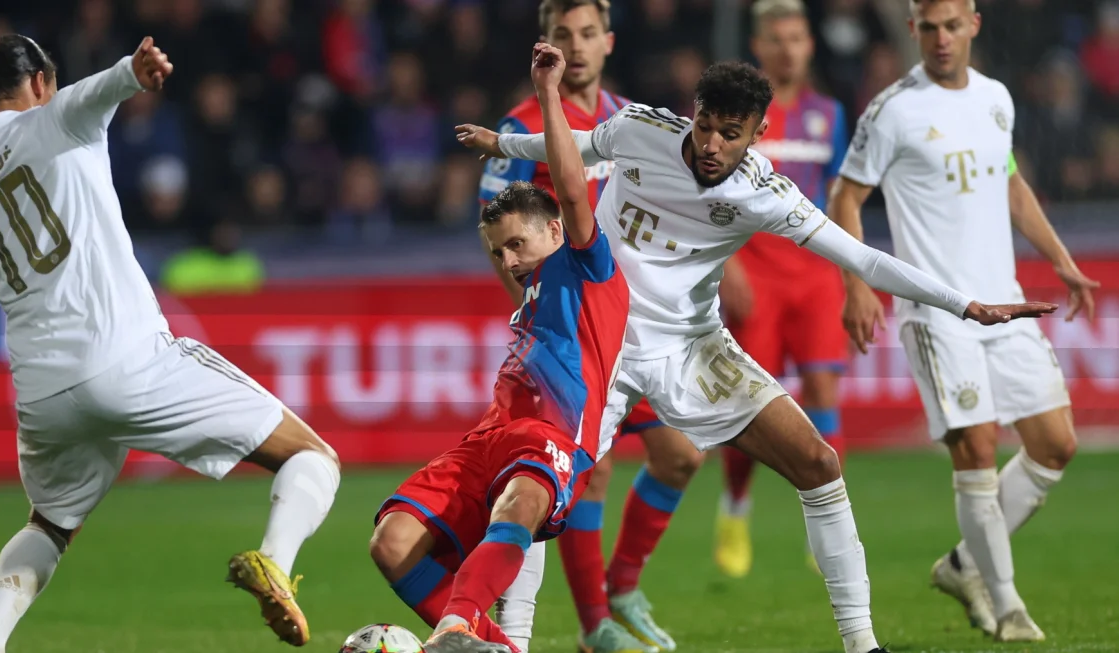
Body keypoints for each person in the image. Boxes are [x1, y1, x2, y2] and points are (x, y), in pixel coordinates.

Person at [457, 59, 1058, 653]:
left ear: (758, 134)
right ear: (692, 116)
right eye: (705, 125)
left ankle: (863, 645)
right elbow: (579, 145)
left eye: (731, 132)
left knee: (819, 464)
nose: (712, 144)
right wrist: (502, 141)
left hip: (691, 347)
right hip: (597, 338)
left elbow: (863, 260)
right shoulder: (643, 130)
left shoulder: (765, 193)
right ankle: (514, 642)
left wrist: (964, 305)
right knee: (540, 487)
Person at [0, 36, 340, 653]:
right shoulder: (56, 118)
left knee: (51, 524)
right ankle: (274, 559)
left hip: (43, 393)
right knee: (312, 458)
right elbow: (106, 86)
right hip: (130, 360)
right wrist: (136, 72)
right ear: (39, 82)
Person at [826, 0, 1097, 642]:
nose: (941, 39)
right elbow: (846, 196)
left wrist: (1061, 261)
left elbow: (1009, 184)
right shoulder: (893, 109)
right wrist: (857, 282)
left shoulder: (996, 99)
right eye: (928, 27)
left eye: (952, 26)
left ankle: (963, 564)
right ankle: (1007, 608)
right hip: (935, 310)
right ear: (914, 28)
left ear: (974, 25)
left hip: (1005, 301)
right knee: (976, 448)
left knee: (1055, 444)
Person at [370, 43, 630, 653]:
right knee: (392, 541)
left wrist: (546, 94)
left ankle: (456, 626)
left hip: (555, 437)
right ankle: (493, 646)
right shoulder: (530, 302)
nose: (509, 261)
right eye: (498, 252)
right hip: (488, 438)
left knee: (517, 506)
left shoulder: (586, 268)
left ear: (556, 232)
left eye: (517, 244)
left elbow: (570, 187)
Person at [478, 1, 693, 650]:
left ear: (608, 42)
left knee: (681, 454)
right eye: (561, 35)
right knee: (588, 471)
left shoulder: (629, 121)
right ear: (544, 44)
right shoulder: (520, 126)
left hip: (636, 318)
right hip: (573, 327)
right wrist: (537, 318)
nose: (575, 46)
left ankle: (622, 584)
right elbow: (497, 233)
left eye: (586, 33)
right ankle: (595, 623)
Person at [715, 0, 852, 579]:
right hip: (756, 273)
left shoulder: (829, 113)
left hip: (815, 275)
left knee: (823, 392)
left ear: (809, 46)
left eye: (798, 38)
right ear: (760, 48)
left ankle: (825, 528)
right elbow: (710, 197)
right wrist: (727, 267)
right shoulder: (734, 116)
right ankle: (735, 509)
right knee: (751, 408)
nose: (789, 49)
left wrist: (851, 276)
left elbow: (842, 196)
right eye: (778, 40)